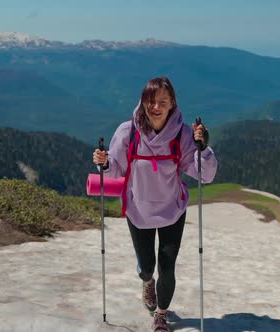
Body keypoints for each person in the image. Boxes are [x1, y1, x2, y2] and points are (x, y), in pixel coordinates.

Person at [92, 77, 217, 331]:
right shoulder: (128, 131)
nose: (156, 107)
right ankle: (147, 281)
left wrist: (202, 149)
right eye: (151, 101)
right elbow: (115, 168)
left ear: (172, 104)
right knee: (147, 266)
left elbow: (204, 173)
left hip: (173, 209)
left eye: (163, 101)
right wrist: (104, 163)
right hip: (138, 209)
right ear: (143, 102)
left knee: (167, 266)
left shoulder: (182, 134)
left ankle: (161, 314)